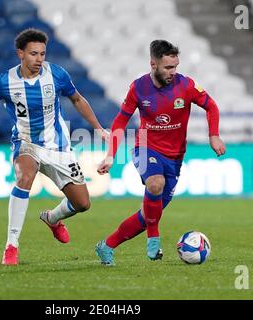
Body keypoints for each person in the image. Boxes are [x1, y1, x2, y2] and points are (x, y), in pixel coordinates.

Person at [0, 28, 108, 265]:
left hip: (59, 146)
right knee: (24, 177)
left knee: (82, 203)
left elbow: (78, 99)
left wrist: (98, 127)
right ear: (20, 53)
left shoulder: (56, 74)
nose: (39, 59)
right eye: (33, 54)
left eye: (42, 54)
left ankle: (51, 218)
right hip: (26, 142)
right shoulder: (4, 82)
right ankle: (11, 246)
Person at [95, 40, 226, 265]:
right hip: (146, 147)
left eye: (175, 66)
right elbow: (119, 122)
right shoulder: (138, 88)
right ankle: (153, 238)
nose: (173, 72)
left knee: (148, 215)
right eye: (168, 67)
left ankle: (106, 246)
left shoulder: (186, 85)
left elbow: (211, 106)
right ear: (153, 64)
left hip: (175, 158)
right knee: (155, 183)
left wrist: (213, 135)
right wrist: (110, 155)